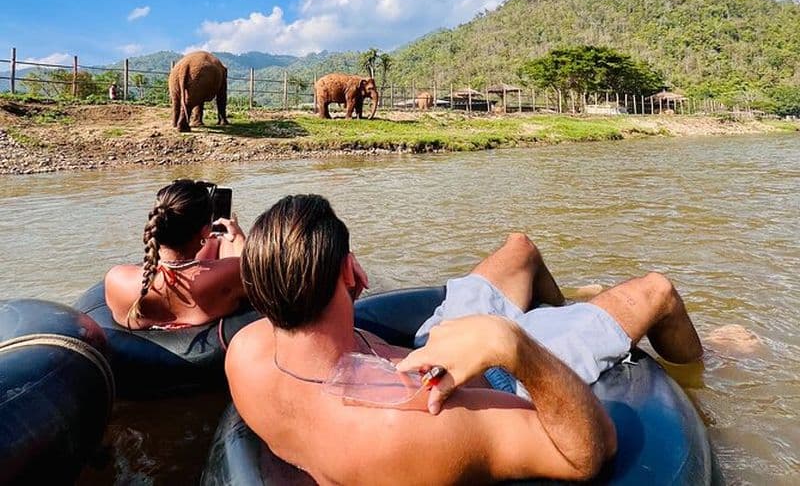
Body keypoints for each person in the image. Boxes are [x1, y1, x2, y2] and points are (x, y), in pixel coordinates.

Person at [227, 194, 703, 483]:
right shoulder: (418, 426)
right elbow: (590, 453)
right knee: (657, 291)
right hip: (500, 374)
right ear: (353, 272)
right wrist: (512, 345)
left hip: (433, 346)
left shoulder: (247, 352)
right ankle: (713, 362)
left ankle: (572, 313)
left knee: (520, 249)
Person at [105, 179, 246, 330]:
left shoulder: (116, 278)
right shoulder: (232, 271)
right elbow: (256, 272)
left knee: (213, 243)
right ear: (205, 230)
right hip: (209, 311)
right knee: (220, 241)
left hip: (142, 347)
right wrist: (238, 237)